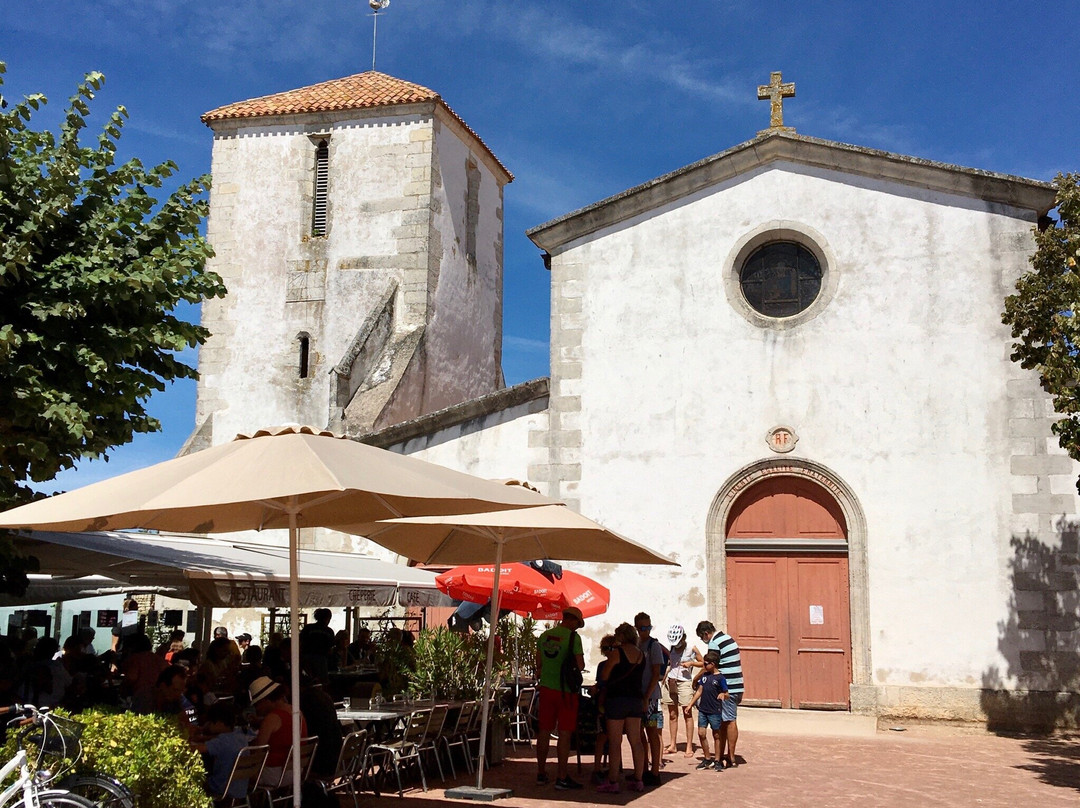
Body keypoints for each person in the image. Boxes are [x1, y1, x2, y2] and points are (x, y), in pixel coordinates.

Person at [534, 606, 585, 790]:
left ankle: (541, 772)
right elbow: (580, 665)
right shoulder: (573, 637)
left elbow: (538, 664)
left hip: (546, 688)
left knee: (544, 731)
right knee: (564, 733)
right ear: (573, 621)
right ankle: (562, 776)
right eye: (577, 624)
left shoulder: (545, 635)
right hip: (566, 691)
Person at [595, 623, 646, 793]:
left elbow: (605, 675)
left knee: (615, 742)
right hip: (636, 700)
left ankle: (613, 781)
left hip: (617, 700)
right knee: (636, 741)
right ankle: (638, 779)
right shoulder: (641, 655)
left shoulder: (617, 653)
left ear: (622, 636)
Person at [695, 620, 744, 768]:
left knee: (728, 721)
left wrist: (696, 679)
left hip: (726, 687)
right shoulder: (728, 638)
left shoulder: (714, 643)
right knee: (727, 720)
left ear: (706, 634)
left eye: (702, 637)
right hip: (737, 685)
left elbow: (710, 665)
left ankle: (730, 757)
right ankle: (725, 755)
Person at [250, 676, 308, 785]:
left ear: (266, 700)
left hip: (277, 773)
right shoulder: (297, 711)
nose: (257, 709)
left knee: (235, 772)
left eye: (257, 704)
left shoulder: (272, 718)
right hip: (297, 770)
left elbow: (258, 750)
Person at [193, 701, 252, 801]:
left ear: (219, 723)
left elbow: (197, 749)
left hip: (221, 787)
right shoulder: (240, 736)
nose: (209, 726)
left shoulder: (221, 742)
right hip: (240, 788)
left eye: (211, 723)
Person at [663, 624, 703, 757]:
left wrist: (691, 663)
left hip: (684, 683)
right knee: (672, 714)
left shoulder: (691, 647)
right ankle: (673, 744)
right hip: (671, 681)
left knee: (687, 713)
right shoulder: (672, 647)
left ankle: (689, 746)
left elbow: (703, 662)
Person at [635, 612, 665, 786]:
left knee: (652, 732)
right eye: (642, 628)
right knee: (638, 734)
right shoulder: (636, 645)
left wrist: (647, 696)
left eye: (648, 627)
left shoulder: (653, 645)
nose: (645, 631)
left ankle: (655, 771)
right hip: (637, 696)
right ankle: (643, 768)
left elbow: (656, 674)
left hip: (651, 697)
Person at [684, 651, 728, 771]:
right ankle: (707, 758)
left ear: (713, 664)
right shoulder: (704, 676)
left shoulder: (720, 678)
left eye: (706, 663)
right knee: (701, 733)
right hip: (703, 710)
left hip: (714, 711)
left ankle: (718, 759)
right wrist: (690, 704)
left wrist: (723, 695)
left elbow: (726, 693)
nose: (704, 666)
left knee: (716, 734)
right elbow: (699, 691)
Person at [589, 634, 616, 785]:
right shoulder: (603, 665)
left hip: (610, 704)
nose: (606, 652)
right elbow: (601, 683)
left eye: (608, 649)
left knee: (608, 737)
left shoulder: (608, 665)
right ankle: (598, 769)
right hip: (606, 705)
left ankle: (604, 769)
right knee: (604, 736)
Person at [299, 609, 335, 684]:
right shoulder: (329, 631)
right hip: (321, 660)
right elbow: (330, 649)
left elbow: (301, 642)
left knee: (308, 680)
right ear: (327, 618)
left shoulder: (308, 628)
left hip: (306, 658)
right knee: (322, 682)